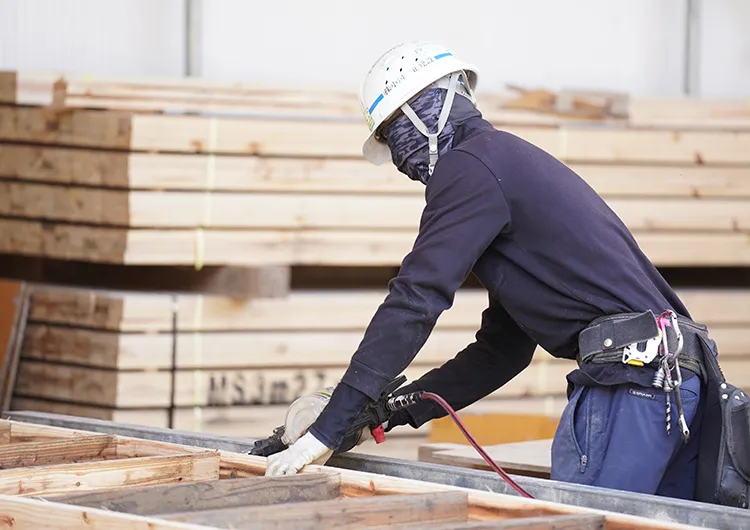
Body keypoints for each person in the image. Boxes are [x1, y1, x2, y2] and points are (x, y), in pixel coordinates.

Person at [264, 41, 720, 501]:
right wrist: (384, 412)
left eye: (393, 133)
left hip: (634, 384)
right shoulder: (500, 167)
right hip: (673, 385)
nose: (400, 160)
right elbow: (501, 352)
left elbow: (415, 299)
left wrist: (329, 428)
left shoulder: (469, 168)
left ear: (425, 112)